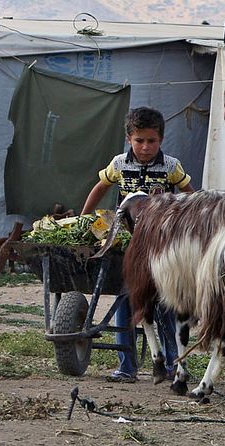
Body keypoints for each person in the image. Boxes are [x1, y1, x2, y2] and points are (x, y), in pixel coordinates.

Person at [81, 106, 194, 383]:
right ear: (129, 139)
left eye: (151, 141)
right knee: (126, 303)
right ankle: (126, 367)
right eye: (139, 141)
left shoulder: (171, 166)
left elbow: (191, 195)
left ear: (161, 140)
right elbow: (101, 187)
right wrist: (84, 219)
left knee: (166, 305)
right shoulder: (119, 164)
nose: (145, 147)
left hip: (161, 245)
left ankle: (171, 364)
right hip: (128, 243)